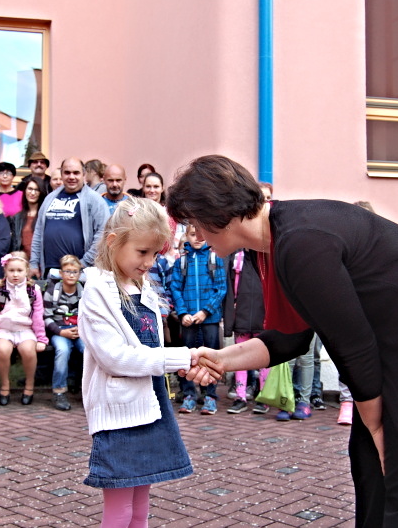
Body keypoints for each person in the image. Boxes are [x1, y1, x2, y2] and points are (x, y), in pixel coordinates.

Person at [169, 154, 398, 526]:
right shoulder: (277, 238)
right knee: (370, 469)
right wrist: (221, 359)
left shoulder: (299, 242)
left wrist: (377, 429)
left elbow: (354, 347)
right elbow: (291, 337)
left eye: (194, 222)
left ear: (218, 215)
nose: (194, 233)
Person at [78, 197, 195, 526]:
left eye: (155, 254)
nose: (149, 262)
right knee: (120, 511)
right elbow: (116, 358)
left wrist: (181, 361)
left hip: (150, 406)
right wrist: (181, 357)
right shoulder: (97, 292)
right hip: (119, 416)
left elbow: (153, 347)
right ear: (114, 242)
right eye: (142, 252)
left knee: (140, 508)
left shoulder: (143, 287)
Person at [169, 224, 226, 415]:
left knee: (211, 358)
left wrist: (205, 311)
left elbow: (221, 288)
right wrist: (183, 313)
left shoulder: (214, 258)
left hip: (209, 319)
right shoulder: (181, 262)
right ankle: (189, 395)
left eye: (201, 234)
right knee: (187, 358)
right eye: (193, 234)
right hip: (188, 320)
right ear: (187, 236)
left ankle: (210, 395)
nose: (198, 238)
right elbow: (175, 288)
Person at [0, 252, 47, 406]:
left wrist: (41, 338)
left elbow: (38, 316)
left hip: (25, 329)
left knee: (28, 350)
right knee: (3, 350)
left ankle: (29, 385)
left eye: (19, 270)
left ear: (27, 271)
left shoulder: (33, 290)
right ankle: (5, 385)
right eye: (11, 270)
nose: (15, 274)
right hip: (3, 329)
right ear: (5, 271)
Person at [29, 157, 109, 278]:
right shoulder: (50, 198)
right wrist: (34, 263)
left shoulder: (95, 200)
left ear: (83, 174)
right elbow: (38, 232)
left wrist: (85, 262)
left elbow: (103, 232)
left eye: (76, 173)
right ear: (61, 174)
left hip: (80, 273)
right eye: (67, 173)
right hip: (50, 271)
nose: (71, 177)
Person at [223, 249, 270, 415]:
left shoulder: (266, 259)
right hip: (241, 317)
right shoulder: (237, 257)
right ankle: (240, 397)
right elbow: (229, 290)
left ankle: (264, 396)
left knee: (265, 359)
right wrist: (230, 320)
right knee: (240, 359)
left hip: (262, 317)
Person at [43, 254, 84, 411]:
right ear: (61, 273)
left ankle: (87, 389)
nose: (71, 275)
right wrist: (61, 333)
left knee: (89, 350)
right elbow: (47, 317)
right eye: (67, 271)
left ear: (79, 274)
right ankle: (59, 391)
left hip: (80, 331)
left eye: (75, 272)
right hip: (59, 331)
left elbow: (90, 316)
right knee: (62, 350)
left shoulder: (84, 292)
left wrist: (81, 329)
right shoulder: (52, 291)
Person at [8, 176, 47, 259]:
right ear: (25, 191)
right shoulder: (16, 218)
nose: (32, 193)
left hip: (42, 261)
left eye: (37, 190)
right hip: (22, 261)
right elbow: (15, 243)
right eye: (30, 189)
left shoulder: (46, 216)